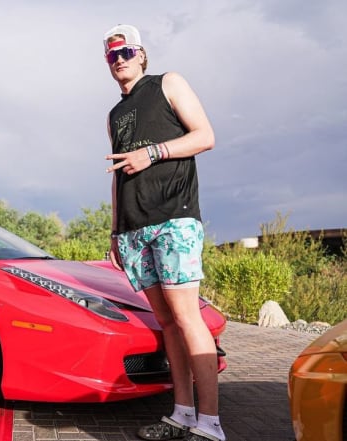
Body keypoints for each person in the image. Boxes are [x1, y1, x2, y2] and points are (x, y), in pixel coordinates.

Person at [103, 25, 225, 441]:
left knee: (188, 319)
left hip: (174, 218)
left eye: (125, 50)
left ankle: (210, 425)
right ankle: (182, 414)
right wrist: (116, 229)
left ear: (142, 54)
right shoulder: (114, 114)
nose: (119, 58)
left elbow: (205, 137)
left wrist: (151, 152)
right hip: (135, 228)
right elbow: (119, 173)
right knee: (167, 323)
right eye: (111, 54)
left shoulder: (168, 83)